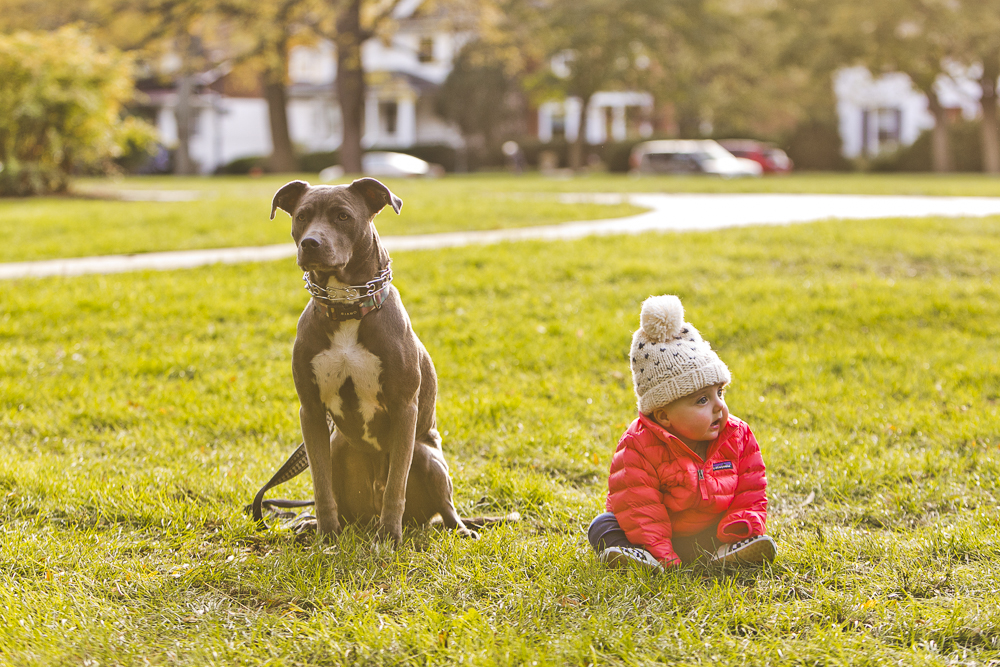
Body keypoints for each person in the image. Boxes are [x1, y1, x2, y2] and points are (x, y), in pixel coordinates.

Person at [588, 295, 776, 571]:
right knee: (603, 525)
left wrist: (739, 525)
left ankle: (731, 548)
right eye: (702, 400)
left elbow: (751, 488)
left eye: (719, 393)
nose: (718, 407)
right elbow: (640, 508)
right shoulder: (639, 445)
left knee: (737, 523)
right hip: (653, 533)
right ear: (663, 415)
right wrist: (665, 555)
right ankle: (638, 555)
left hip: (709, 528)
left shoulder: (737, 435)